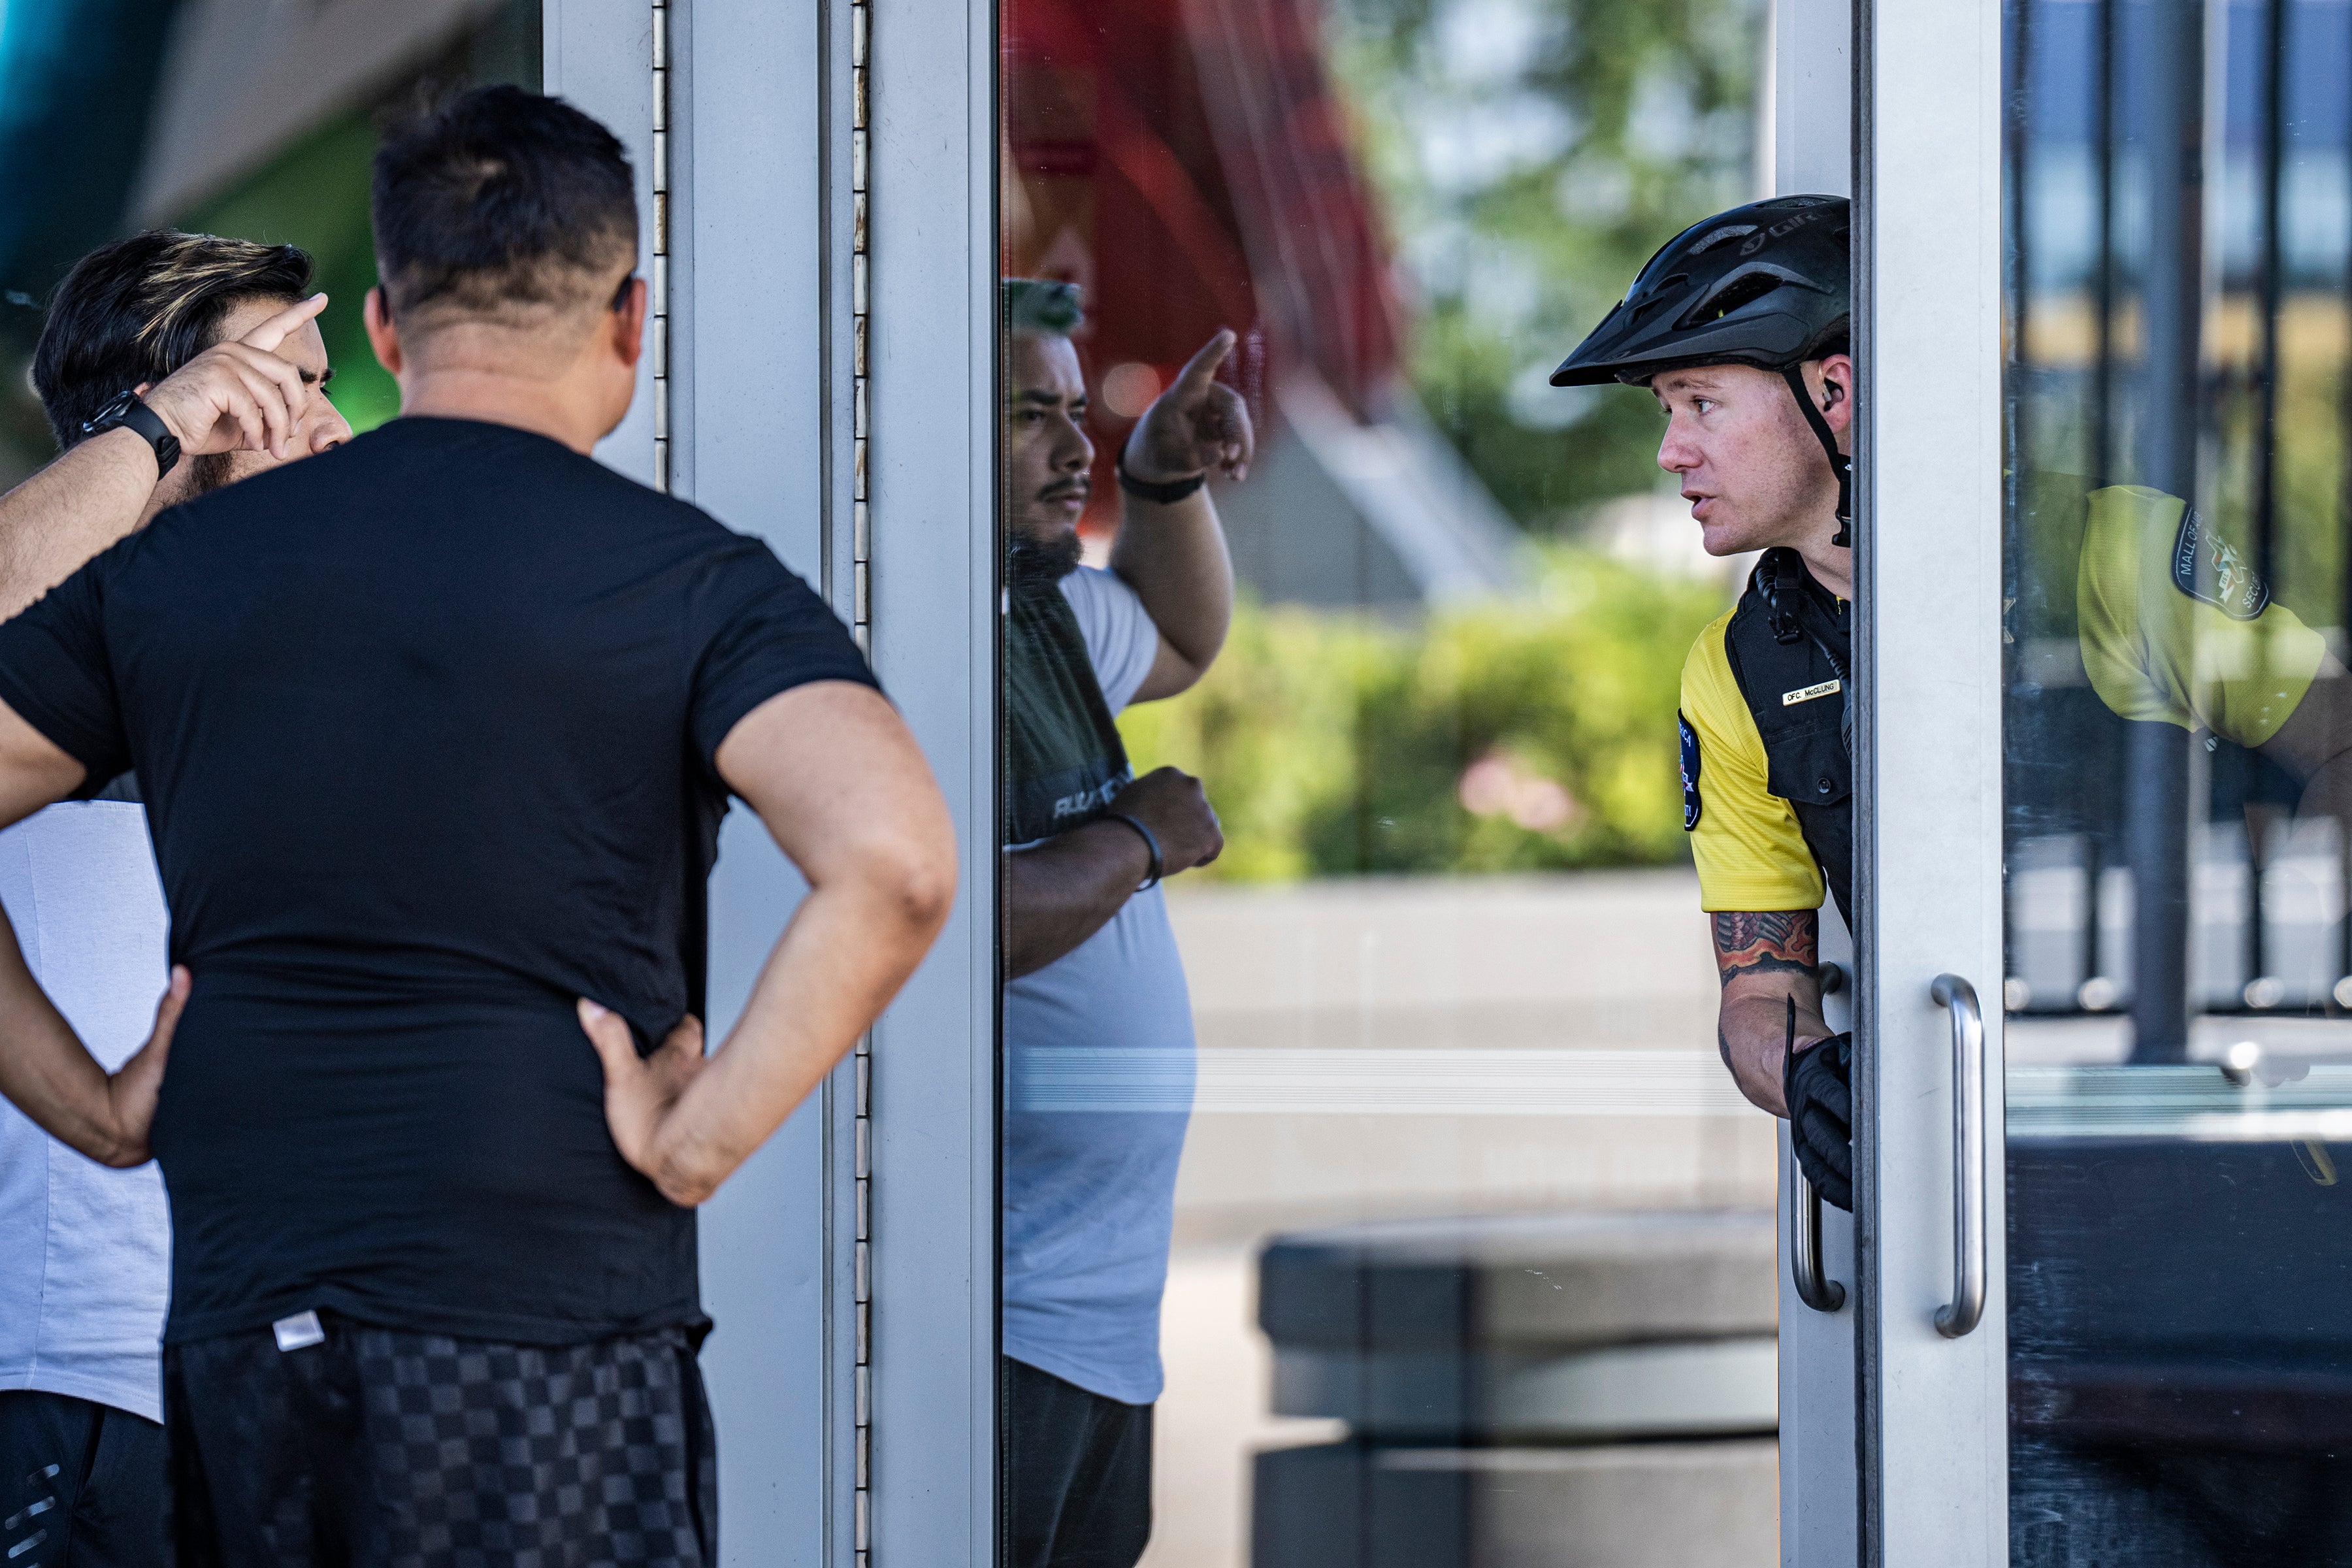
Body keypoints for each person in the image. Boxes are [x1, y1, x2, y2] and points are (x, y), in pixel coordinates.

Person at [0, 85, 955, 1568]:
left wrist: (97, 1103)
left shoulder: (186, 595)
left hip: (250, 1334)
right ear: (629, 322)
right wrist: (700, 1140)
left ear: (388, 327)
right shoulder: (683, 581)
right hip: (556, 1334)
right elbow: (895, 863)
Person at [0, 230, 349, 1568]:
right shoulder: (63, 629)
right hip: (81, 1384)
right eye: (286, 385)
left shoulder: (297, 638)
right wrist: (164, 428)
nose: (329, 423)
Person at [997, 278, 1245, 1568]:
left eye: (1075, 409)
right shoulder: (913, 635)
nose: (1069, 441)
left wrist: (1158, 484)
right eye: (1030, 413)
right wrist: (1140, 841)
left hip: (1097, 1312)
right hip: (1000, 1316)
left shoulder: (1041, 611)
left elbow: (1184, 638)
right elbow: (953, 920)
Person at [1550, 194, 1860, 1207]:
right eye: (1666, 413)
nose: (1671, 451)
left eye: (1701, 403)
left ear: (1833, 390)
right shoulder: (1737, 669)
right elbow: (1762, 993)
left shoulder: (2099, 557)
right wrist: (1814, 1075)